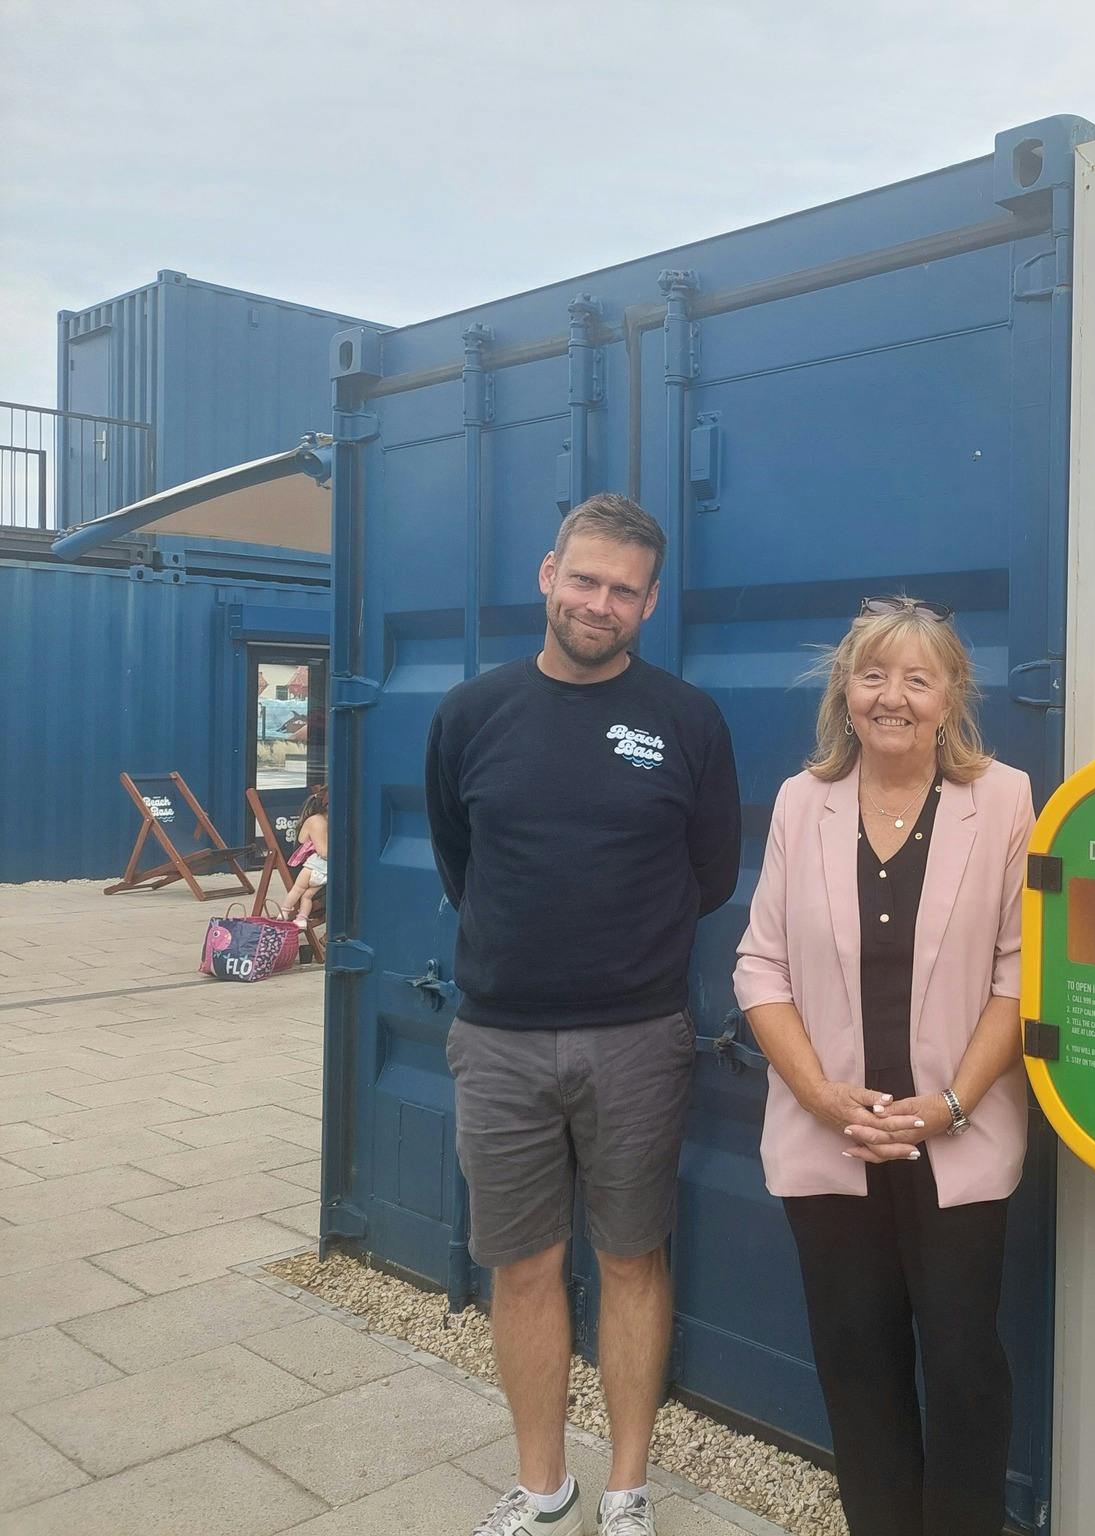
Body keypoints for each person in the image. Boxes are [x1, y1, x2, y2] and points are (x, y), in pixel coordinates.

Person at [425, 493, 741, 1536]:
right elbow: (461, 863)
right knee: (519, 1266)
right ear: (547, 574)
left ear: (649, 603)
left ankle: (625, 1490)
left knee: (629, 1258)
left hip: (639, 1040)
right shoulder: (470, 715)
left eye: (623, 589)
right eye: (585, 578)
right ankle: (544, 1486)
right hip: (499, 1039)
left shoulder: (687, 721)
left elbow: (707, 874)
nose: (599, 603)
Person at [733, 596, 1035, 1536]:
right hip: (832, 1143)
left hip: (958, 1139)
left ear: (951, 699)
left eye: (918, 678)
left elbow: (1019, 973)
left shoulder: (1006, 799)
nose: (892, 697)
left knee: (961, 1364)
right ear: (845, 691)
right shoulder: (800, 801)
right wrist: (822, 1099)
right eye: (872, 675)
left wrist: (950, 1102)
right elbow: (760, 964)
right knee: (855, 1362)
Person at [278, 785, 328, 926]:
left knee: (305, 894)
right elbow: (323, 852)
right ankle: (285, 912)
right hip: (312, 869)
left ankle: (299, 918)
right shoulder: (318, 821)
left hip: (320, 872)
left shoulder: (325, 821)